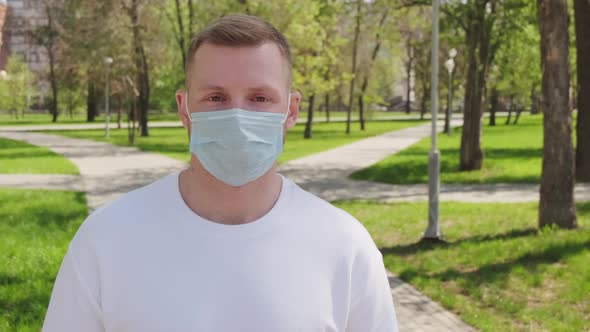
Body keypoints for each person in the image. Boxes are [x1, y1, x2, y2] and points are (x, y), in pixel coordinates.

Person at [42, 14, 398, 332]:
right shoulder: (107, 239)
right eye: (215, 98)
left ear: (291, 111)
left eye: (259, 98)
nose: (237, 116)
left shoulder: (345, 247)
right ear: (184, 109)